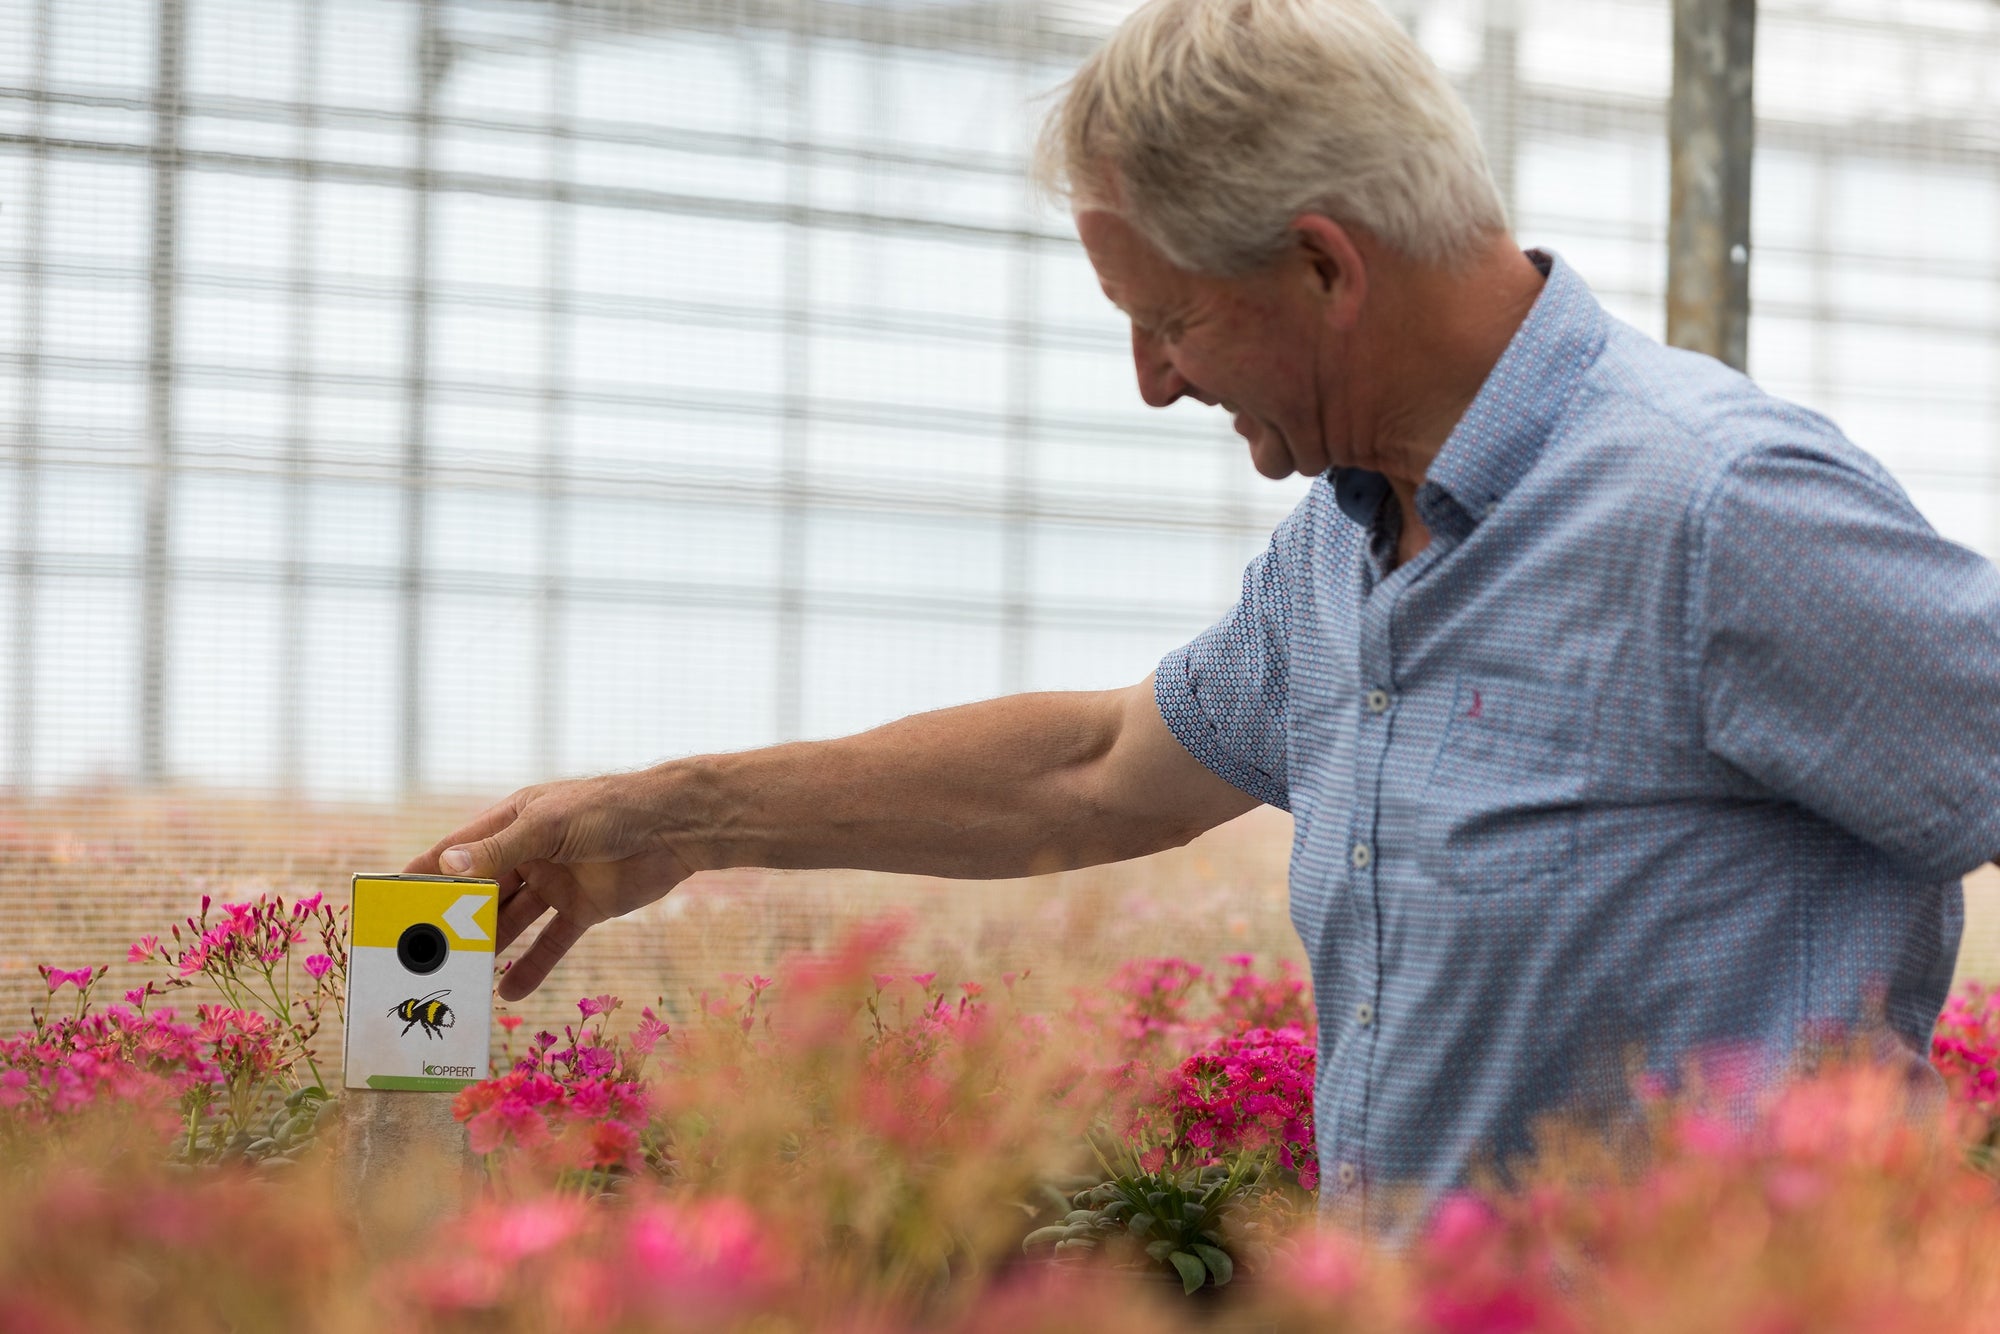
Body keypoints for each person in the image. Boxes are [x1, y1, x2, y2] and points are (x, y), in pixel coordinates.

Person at [407, 0, 2000, 1230]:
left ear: (1324, 266)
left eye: (1169, 318)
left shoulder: (1717, 513)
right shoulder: (1347, 550)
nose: (1155, 379)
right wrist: (669, 819)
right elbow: (1097, 769)